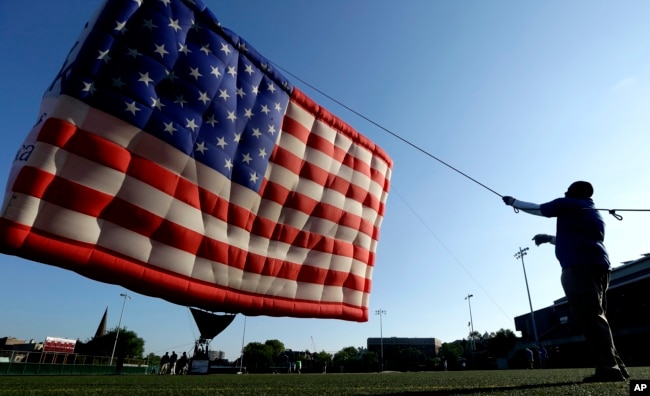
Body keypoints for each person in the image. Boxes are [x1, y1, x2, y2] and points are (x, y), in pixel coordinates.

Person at [502, 181, 629, 383]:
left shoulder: (569, 204)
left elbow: (540, 209)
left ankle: (609, 369)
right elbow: (576, 237)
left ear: (575, 193)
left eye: (568, 190)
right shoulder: (590, 210)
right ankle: (616, 366)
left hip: (580, 268)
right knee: (598, 318)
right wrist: (550, 238)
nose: (564, 192)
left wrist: (513, 202)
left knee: (591, 319)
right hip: (599, 266)